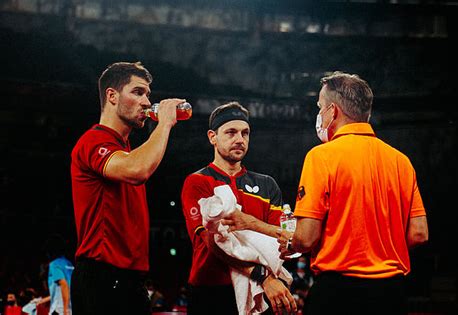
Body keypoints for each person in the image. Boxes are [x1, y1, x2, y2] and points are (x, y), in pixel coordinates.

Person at [278, 71, 429, 315]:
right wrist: (380, 250)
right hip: (391, 294)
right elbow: (419, 234)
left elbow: (306, 238)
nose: (319, 114)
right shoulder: (401, 161)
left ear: (333, 111)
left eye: (320, 107)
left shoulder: (321, 156)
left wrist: (291, 243)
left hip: (338, 293)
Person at [70, 61, 185, 315]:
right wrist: (164, 124)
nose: (146, 102)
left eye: (148, 95)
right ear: (111, 96)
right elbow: (137, 170)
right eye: (137, 92)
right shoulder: (94, 140)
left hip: (128, 281)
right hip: (103, 276)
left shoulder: (127, 150)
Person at [181, 102, 297, 315]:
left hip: (263, 290)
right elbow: (212, 243)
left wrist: (251, 223)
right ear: (212, 137)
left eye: (245, 133)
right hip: (212, 290)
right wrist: (262, 276)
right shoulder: (197, 182)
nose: (240, 139)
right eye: (231, 132)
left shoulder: (267, 185)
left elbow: (281, 241)